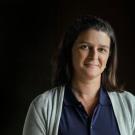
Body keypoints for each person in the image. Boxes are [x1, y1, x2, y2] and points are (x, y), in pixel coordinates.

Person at [23, 15, 135, 135]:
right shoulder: (42, 107)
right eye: (85, 47)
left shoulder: (131, 105)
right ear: (69, 51)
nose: (94, 56)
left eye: (102, 49)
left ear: (109, 57)